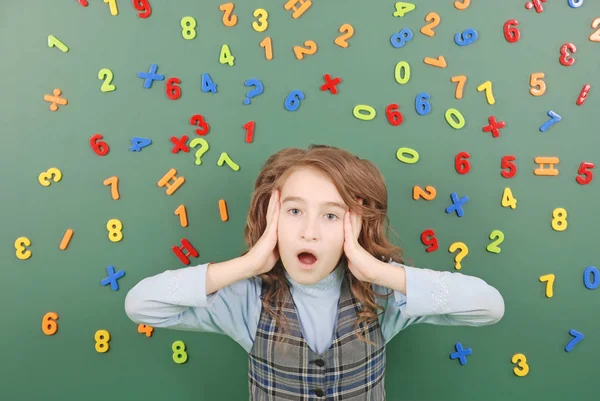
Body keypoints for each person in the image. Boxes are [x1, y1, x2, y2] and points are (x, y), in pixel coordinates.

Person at [125, 144, 505, 400]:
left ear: (354, 225)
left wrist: (379, 271)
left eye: (330, 215)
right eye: (294, 211)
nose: (309, 230)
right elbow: (140, 305)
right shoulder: (245, 298)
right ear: (271, 217)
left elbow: (490, 307)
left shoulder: (383, 295)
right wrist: (248, 264)